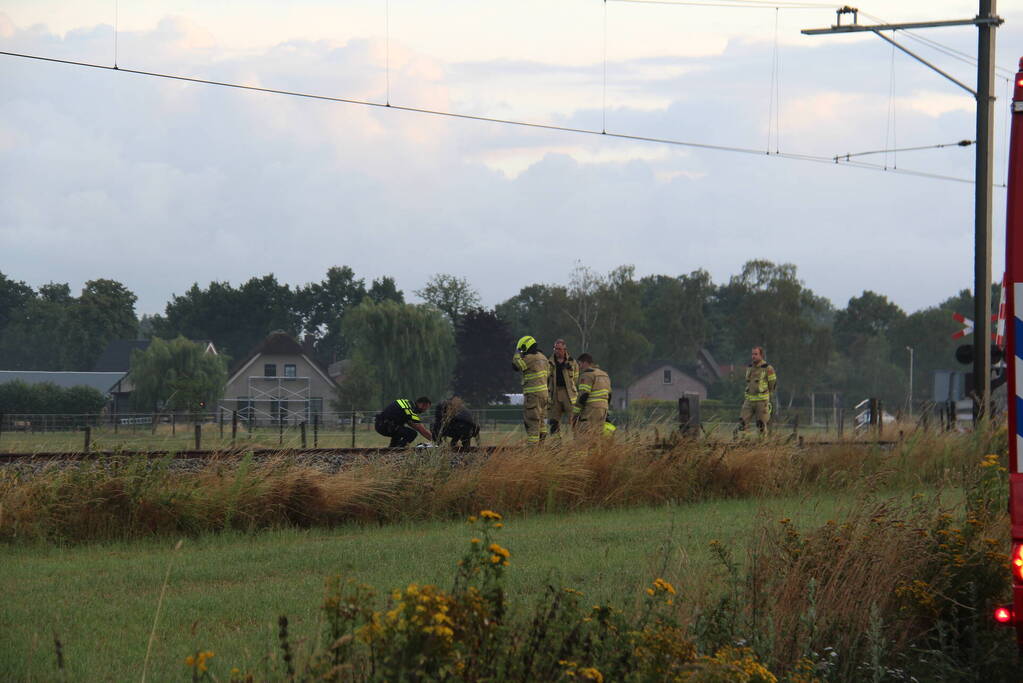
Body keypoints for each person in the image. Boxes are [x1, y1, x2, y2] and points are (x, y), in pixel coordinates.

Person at [511, 335, 550, 444]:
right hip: (544, 395)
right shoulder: (543, 357)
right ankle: (541, 447)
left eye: (523, 348)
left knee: (532, 422)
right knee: (542, 422)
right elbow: (549, 374)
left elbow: (515, 365)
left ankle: (533, 451)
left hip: (533, 395)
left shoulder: (530, 358)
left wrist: (518, 352)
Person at [739, 346, 777, 434]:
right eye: (752, 354)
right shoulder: (749, 367)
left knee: (761, 426)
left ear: (761, 355)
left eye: (756, 354)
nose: (753, 356)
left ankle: (762, 445)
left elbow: (773, 384)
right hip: (749, 401)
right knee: (742, 423)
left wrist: (767, 395)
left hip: (762, 401)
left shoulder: (768, 368)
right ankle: (743, 443)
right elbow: (748, 381)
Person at [572, 353, 611, 436]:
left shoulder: (587, 375)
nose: (579, 367)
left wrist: (575, 413)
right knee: (599, 435)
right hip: (604, 409)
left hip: (591, 409)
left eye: (580, 364)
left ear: (585, 363)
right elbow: (610, 395)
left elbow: (583, 396)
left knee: (586, 435)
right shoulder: (604, 374)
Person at [547, 339, 580, 436]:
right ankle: (556, 445)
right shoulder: (549, 362)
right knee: (554, 421)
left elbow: (576, 378)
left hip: (569, 394)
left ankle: (577, 441)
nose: (557, 351)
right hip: (554, 394)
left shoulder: (572, 362)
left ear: (565, 349)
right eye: (555, 349)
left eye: (559, 349)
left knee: (574, 420)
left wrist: (571, 388)